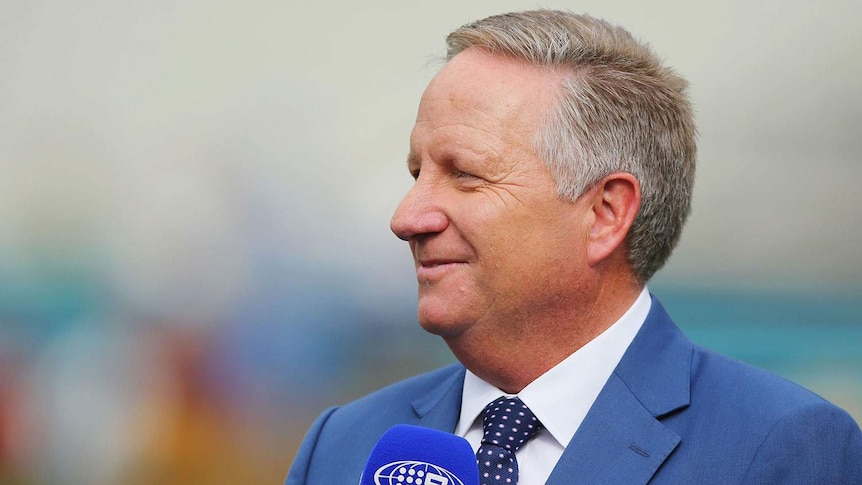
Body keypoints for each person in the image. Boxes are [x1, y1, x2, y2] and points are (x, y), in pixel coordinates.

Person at [286, 10, 862, 484]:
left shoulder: (781, 447)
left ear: (605, 214)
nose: (407, 217)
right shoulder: (341, 446)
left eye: (465, 175)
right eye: (418, 174)